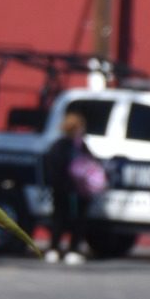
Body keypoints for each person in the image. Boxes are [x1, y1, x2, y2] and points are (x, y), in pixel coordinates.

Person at [42, 110, 96, 264]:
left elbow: (51, 167)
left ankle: (54, 248)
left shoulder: (58, 145)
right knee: (77, 220)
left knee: (58, 218)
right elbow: (91, 163)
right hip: (77, 189)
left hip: (61, 188)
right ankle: (72, 249)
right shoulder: (78, 146)